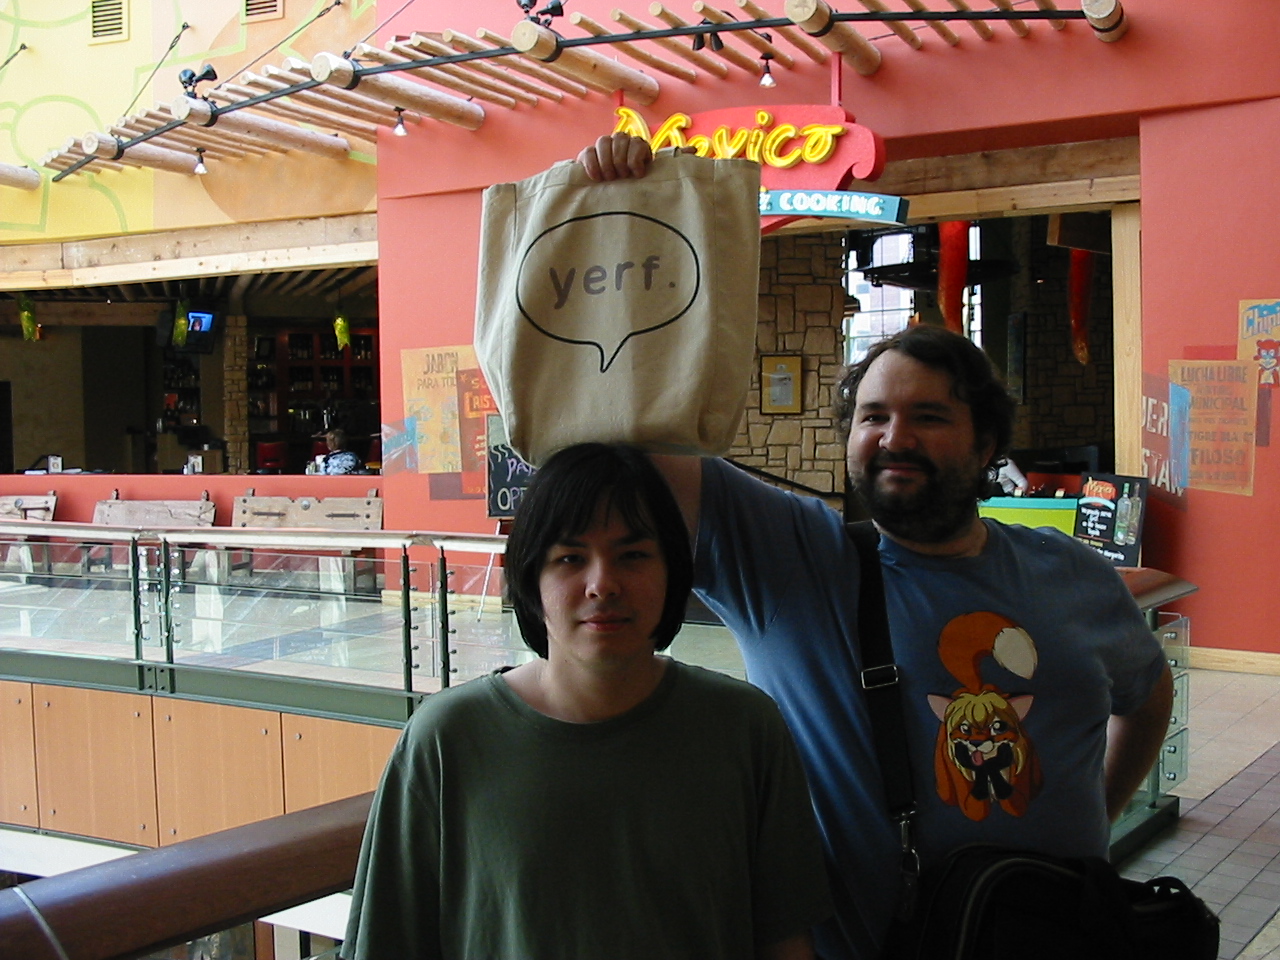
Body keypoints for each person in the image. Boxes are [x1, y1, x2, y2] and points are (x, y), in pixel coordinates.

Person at [579, 132, 1175, 960]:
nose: (896, 438)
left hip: (1061, 937)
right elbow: (625, 433)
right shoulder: (793, 560)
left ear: (985, 442)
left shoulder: (1072, 573)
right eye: (873, 417)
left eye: (928, 417)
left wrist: (1095, 828)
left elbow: (1147, 694)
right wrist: (620, 215)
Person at [341, 442, 832, 960]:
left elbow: (785, 941)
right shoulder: (446, 740)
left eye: (633, 556)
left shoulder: (744, 728)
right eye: (570, 558)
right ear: (531, 578)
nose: (602, 584)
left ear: (672, 572)